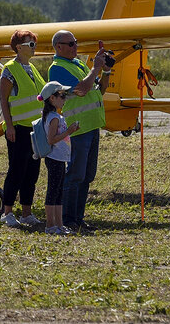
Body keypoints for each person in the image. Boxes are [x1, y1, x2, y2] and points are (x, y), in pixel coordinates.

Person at [46, 30, 111, 234]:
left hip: (91, 125)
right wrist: (95, 68)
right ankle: (68, 219)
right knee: (75, 174)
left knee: (87, 175)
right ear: (59, 47)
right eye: (71, 43)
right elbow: (82, 89)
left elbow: (98, 90)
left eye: (76, 43)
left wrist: (105, 71)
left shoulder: (78, 64)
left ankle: (78, 219)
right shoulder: (56, 68)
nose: (75, 47)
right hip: (78, 128)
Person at [0, 29, 44, 228]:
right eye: (30, 44)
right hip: (18, 128)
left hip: (35, 129)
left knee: (32, 172)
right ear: (19, 47)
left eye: (34, 43)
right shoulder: (10, 69)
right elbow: (3, 99)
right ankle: (7, 212)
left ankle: (26, 213)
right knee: (16, 170)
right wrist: (9, 127)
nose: (34, 47)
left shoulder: (31, 69)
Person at [38, 80, 77, 235]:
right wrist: (69, 132)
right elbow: (51, 139)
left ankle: (59, 225)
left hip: (60, 158)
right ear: (52, 99)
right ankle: (50, 225)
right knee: (53, 192)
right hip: (54, 158)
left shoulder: (56, 116)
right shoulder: (53, 118)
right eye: (61, 95)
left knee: (59, 192)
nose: (64, 98)